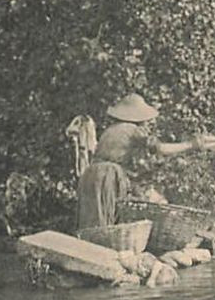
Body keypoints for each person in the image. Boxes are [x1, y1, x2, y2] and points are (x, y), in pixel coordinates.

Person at [77, 93, 202, 230]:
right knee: (108, 219)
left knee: (93, 219)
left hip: (90, 174)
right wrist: (191, 145)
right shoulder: (133, 130)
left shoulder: (110, 130)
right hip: (107, 175)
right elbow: (161, 148)